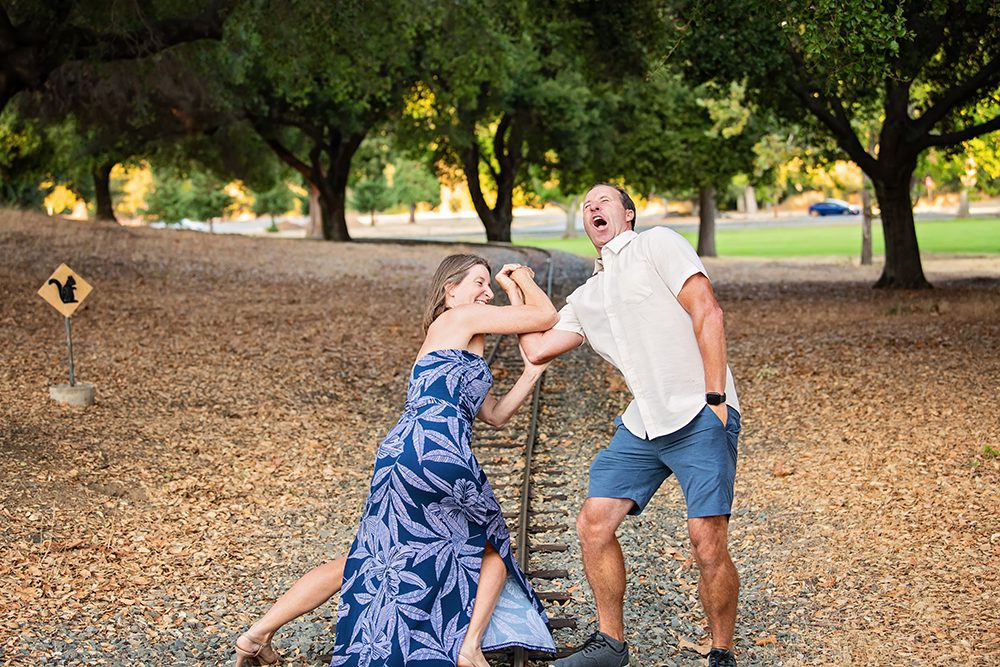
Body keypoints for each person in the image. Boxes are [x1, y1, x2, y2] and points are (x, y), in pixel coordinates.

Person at [234, 255, 559, 667]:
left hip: (401, 453)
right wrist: (524, 277)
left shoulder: (458, 335)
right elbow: (543, 314)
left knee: (367, 558)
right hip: (440, 452)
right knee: (491, 549)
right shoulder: (459, 320)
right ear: (450, 289)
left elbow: (493, 415)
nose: (485, 292)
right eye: (478, 282)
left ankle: (255, 635)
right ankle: (468, 647)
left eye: (488, 286)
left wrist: (531, 372)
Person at [518, 184, 742, 667]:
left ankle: (721, 653)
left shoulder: (656, 244)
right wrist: (520, 287)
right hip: (645, 423)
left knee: (706, 541)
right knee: (593, 523)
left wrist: (716, 400)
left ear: (629, 214)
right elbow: (536, 348)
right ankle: (610, 645)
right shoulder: (588, 295)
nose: (593, 208)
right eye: (586, 206)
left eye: (604, 201)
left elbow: (708, 310)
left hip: (699, 410)